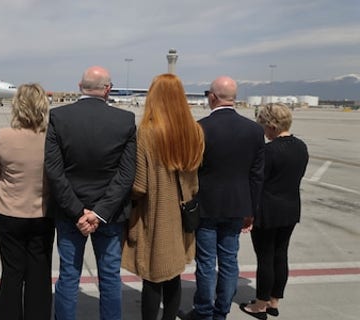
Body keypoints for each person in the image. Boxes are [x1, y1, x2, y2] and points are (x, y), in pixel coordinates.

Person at [45, 66, 137, 320]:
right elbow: (126, 174)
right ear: (107, 89)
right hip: (110, 214)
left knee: (68, 275)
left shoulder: (59, 117)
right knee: (109, 277)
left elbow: (54, 171)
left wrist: (78, 212)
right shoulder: (125, 120)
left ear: (79, 86)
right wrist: (99, 213)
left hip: (69, 213)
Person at [122, 74, 204, 320]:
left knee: (153, 276)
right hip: (183, 214)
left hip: (156, 213)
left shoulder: (147, 131)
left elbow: (140, 185)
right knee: (173, 274)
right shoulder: (195, 130)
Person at [182, 76, 265, 320]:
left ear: (213, 97)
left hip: (206, 206)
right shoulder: (254, 130)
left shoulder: (200, 128)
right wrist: (252, 210)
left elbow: (189, 170)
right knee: (229, 260)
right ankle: (222, 311)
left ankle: (204, 311)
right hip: (237, 205)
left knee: (206, 263)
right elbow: (257, 175)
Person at [0, 83, 54, 320]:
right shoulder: (51, 137)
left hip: (9, 212)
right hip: (42, 213)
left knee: (12, 271)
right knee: (39, 272)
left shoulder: (3, 135)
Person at [239, 103, 309, 320]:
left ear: (271, 126)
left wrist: (248, 213)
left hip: (268, 211)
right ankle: (274, 301)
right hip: (290, 209)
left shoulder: (268, 151)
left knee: (265, 258)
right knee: (281, 255)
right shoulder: (301, 147)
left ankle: (259, 305)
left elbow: (257, 183)